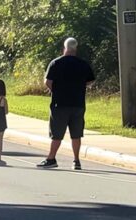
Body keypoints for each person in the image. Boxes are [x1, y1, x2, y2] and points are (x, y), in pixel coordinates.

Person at [37, 37, 95, 170]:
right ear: (75, 49)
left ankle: (51, 158)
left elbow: (48, 82)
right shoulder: (83, 64)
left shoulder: (56, 63)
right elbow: (90, 81)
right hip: (78, 104)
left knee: (57, 134)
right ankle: (76, 161)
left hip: (60, 103)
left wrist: (56, 91)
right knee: (76, 134)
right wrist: (80, 87)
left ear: (64, 48)